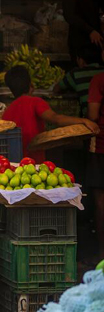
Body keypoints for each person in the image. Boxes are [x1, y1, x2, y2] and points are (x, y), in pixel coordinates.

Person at [3, 65, 100, 163]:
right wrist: (84, 120)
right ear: (30, 84)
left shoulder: (7, 111)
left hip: (14, 162)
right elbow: (56, 119)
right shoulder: (35, 102)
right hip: (35, 161)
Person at [55, 44, 104, 117]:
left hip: (91, 119)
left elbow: (56, 89)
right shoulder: (102, 72)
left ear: (81, 60)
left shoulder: (76, 73)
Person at [86, 73, 104, 260]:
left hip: (101, 147)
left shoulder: (99, 79)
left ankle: (102, 253)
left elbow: (93, 115)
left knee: (100, 202)